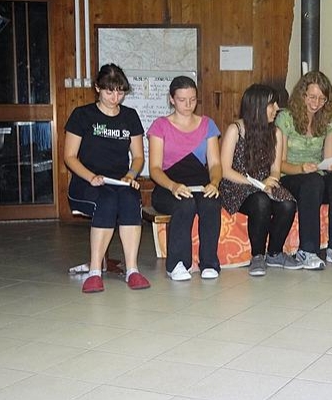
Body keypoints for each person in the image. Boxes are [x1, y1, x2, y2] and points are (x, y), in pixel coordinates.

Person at [64, 63, 151, 293]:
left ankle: (132, 269)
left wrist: (131, 175)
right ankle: (94, 272)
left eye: (120, 92)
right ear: (97, 88)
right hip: (86, 182)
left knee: (131, 199)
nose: (115, 98)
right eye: (109, 92)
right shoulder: (82, 115)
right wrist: (91, 177)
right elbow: (69, 157)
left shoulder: (130, 116)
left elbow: (138, 157)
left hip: (119, 181)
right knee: (106, 201)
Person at [220, 84, 300, 276]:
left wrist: (271, 181)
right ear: (257, 106)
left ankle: (275, 253)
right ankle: (257, 256)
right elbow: (225, 170)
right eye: (271, 104)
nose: (277, 108)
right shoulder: (235, 130)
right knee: (260, 201)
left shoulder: (276, 132)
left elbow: (275, 170)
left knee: (288, 204)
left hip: (264, 183)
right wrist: (257, 184)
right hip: (237, 185)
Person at [147, 76, 222, 281]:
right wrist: (173, 186)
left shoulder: (207, 125)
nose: (188, 105)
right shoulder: (160, 125)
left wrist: (214, 183)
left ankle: (209, 263)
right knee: (185, 204)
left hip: (200, 184)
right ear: (172, 99)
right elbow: (154, 169)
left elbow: (215, 164)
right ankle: (177, 264)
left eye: (192, 99)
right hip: (168, 186)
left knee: (210, 203)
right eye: (182, 100)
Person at [276, 71, 332, 269]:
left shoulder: (331, 120)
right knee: (312, 181)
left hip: (316, 174)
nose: (316, 103)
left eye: (322, 98)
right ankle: (307, 250)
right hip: (290, 175)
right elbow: (279, 164)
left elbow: (327, 158)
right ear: (302, 95)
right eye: (312, 97)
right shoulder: (285, 118)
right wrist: (301, 168)